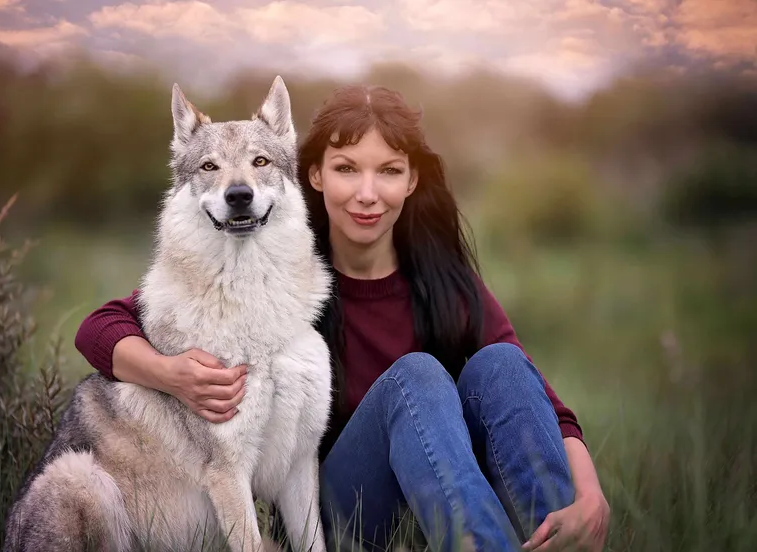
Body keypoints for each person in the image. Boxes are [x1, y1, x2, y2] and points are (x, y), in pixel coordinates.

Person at [74, 84, 610, 552]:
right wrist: (171, 374)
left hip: (445, 499)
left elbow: (544, 405)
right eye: (347, 169)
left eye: (389, 171)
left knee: (503, 364)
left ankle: (562, 537)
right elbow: (101, 327)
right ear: (315, 175)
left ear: (411, 181)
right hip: (344, 515)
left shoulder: (446, 281)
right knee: (416, 378)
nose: (367, 194)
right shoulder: (279, 267)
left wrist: (590, 497)